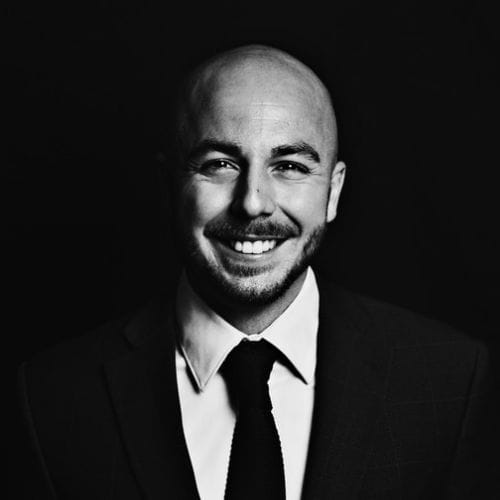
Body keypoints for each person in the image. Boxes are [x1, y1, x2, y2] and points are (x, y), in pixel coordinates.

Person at [18, 45, 495, 499]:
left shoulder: (450, 383)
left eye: (289, 166)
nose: (252, 203)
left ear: (333, 192)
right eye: (220, 164)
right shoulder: (51, 399)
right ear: (169, 187)